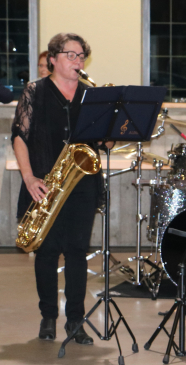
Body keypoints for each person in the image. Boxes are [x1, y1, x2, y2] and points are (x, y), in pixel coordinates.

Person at [11, 33, 106, 344]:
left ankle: (75, 320)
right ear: (52, 58)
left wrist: (114, 127)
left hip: (82, 184)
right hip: (43, 183)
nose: (78, 61)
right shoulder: (34, 92)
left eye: (81, 56)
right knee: (48, 252)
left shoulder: (90, 95)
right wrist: (28, 177)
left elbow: (102, 142)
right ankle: (49, 317)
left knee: (78, 252)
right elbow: (20, 137)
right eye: (71, 55)